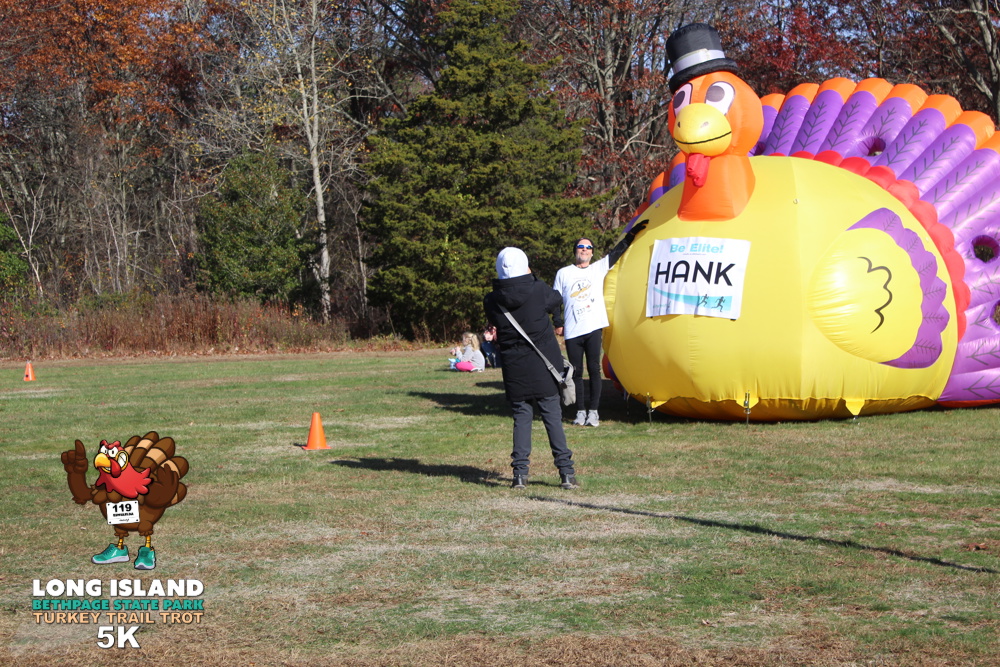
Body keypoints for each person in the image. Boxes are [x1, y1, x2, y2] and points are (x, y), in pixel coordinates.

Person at [484, 247, 577, 490]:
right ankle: (566, 473)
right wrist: (532, 276)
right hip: (544, 364)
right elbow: (556, 298)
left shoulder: (491, 299)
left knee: (521, 418)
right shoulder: (537, 289)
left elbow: (495, 321)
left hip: (514, 366)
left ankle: (519, 475)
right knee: (552, 418)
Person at [552, 221, 648, 427]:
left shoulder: (597, 268)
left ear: (592, 253)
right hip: (573, 330)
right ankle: (580, 412)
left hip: (593, 327)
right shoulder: (564, 273)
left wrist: (632, 233)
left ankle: (594, 412)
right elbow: (554, 300)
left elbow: (617, 252)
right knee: (577, 372)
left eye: (588, 247)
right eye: (581, 246)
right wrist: (557, 321)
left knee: (594, 370)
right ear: (575, 251)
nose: (584, 250)